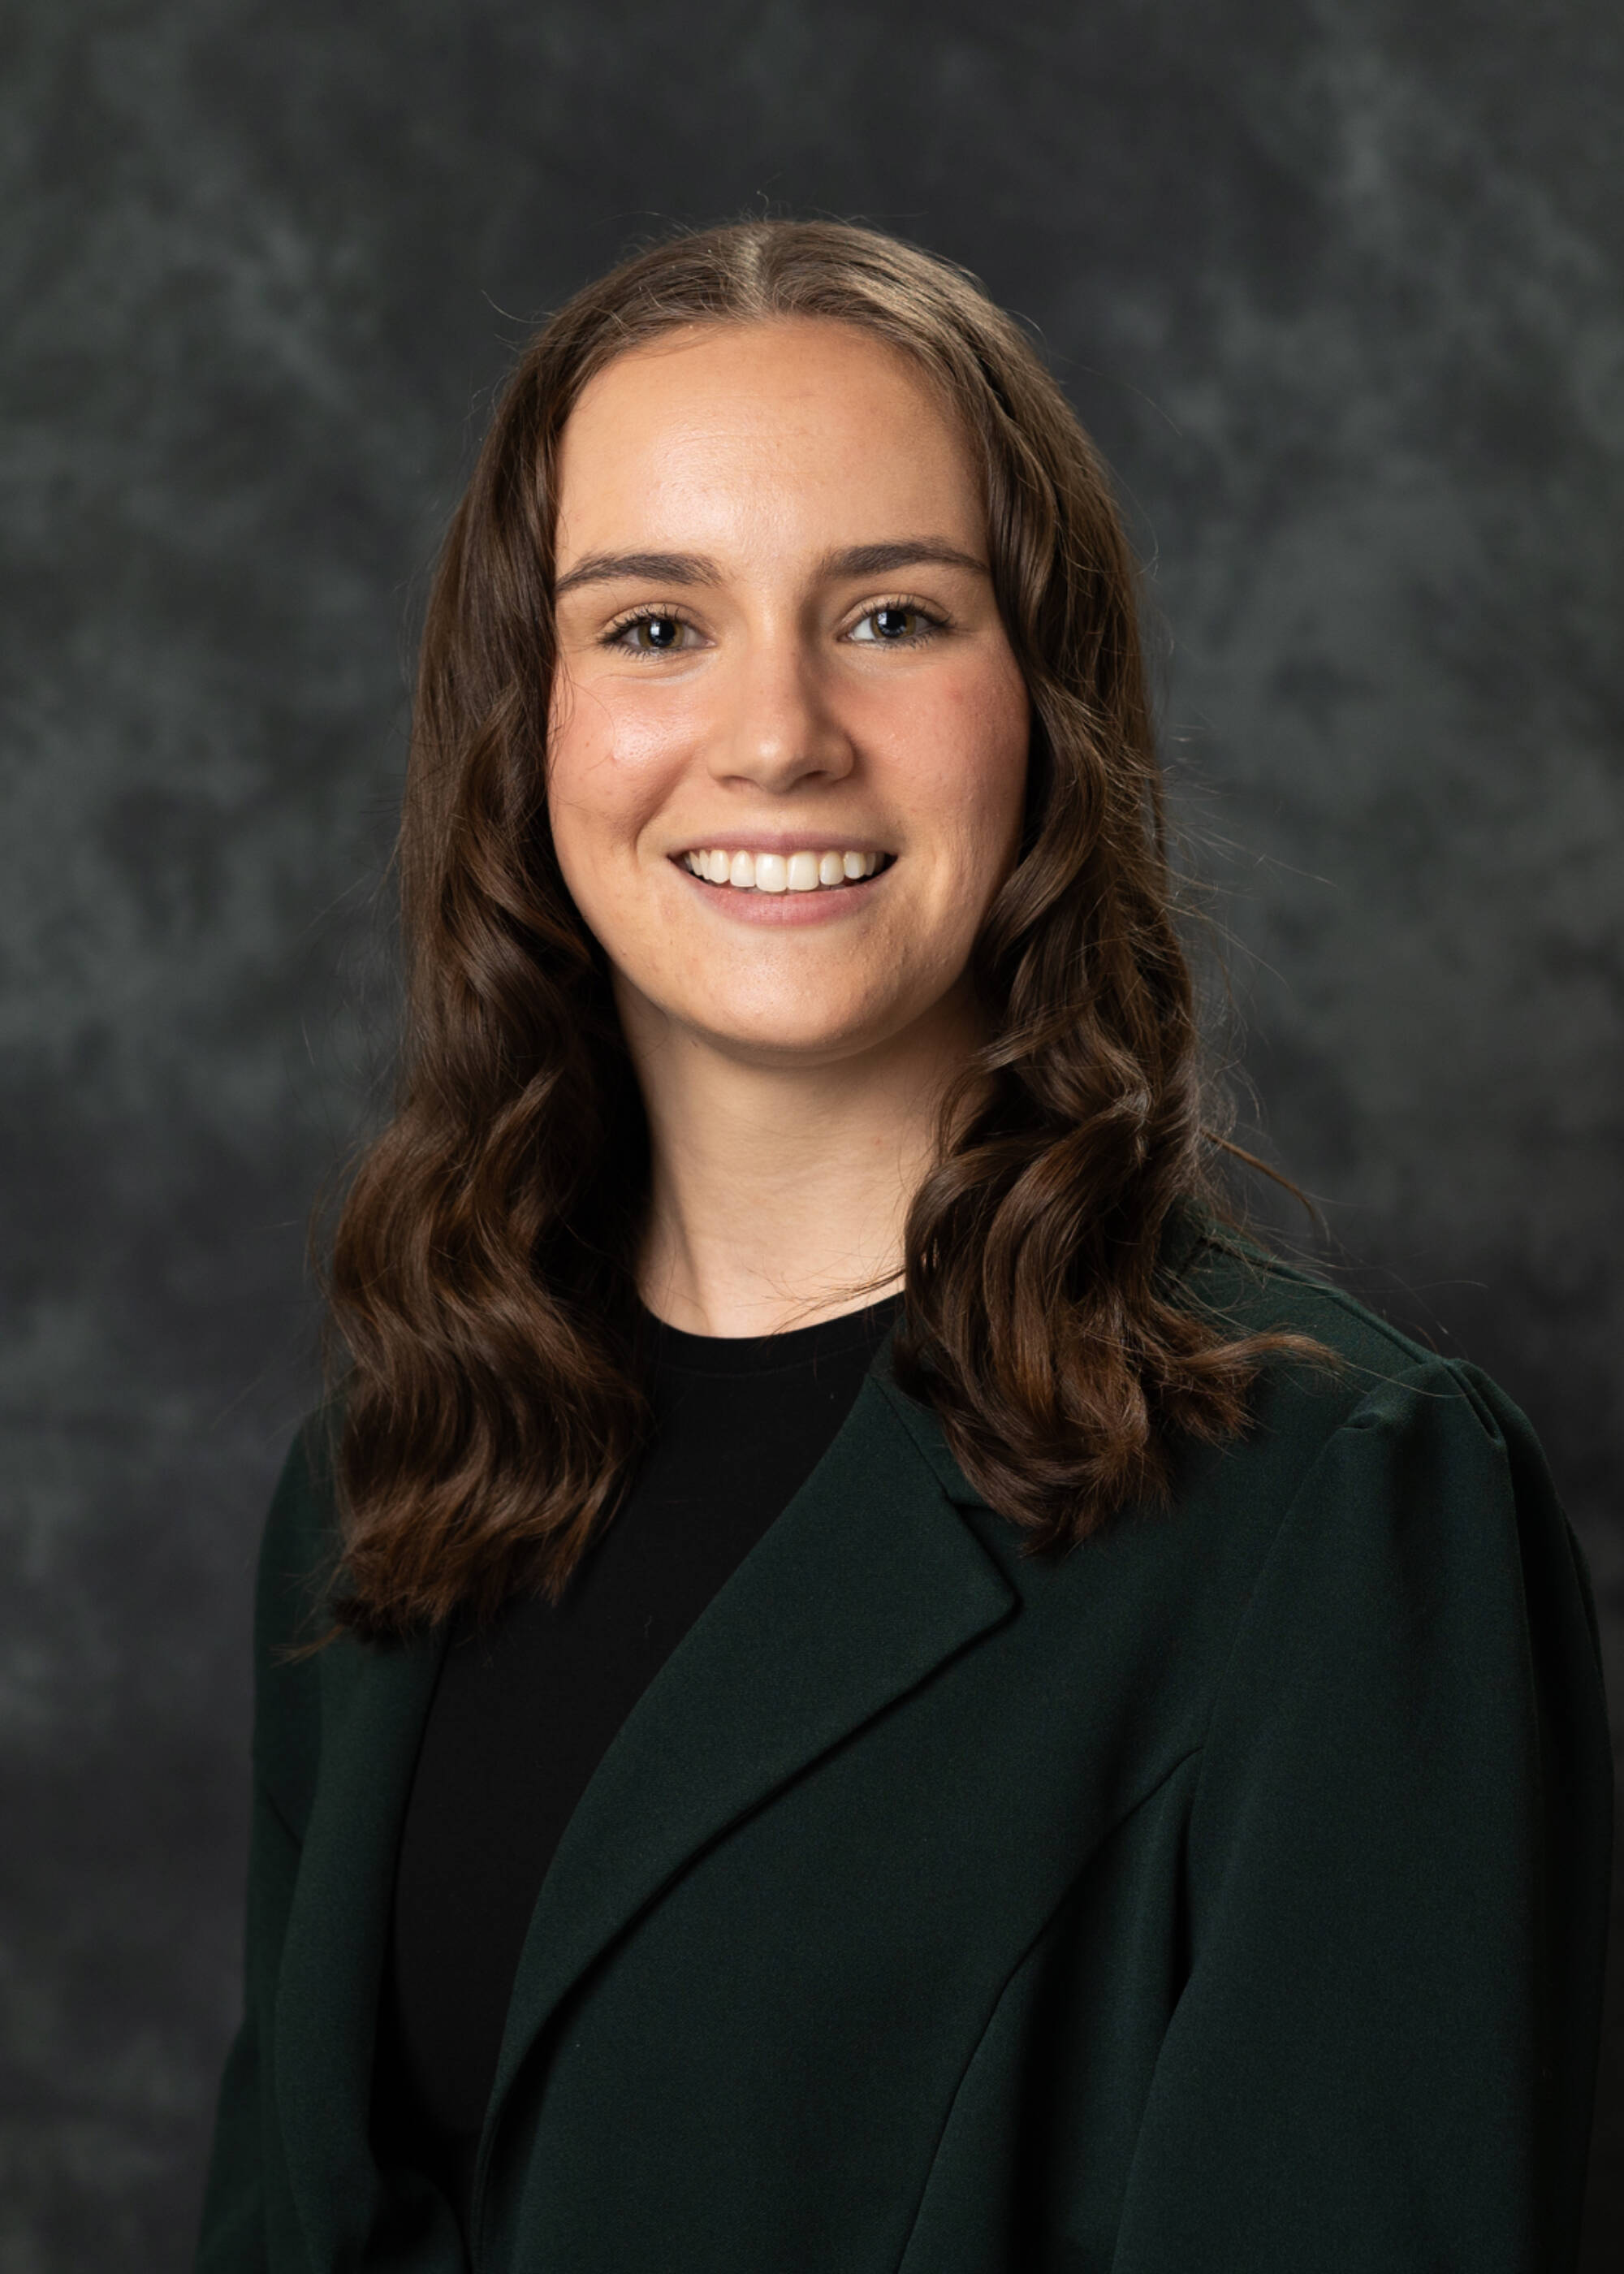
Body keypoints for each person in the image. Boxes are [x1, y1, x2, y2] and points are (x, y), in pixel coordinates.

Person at [193, 219, 1612, 2274]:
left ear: (1044, 707)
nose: (775, 733)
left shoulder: (1349, 1512)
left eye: (889, 612)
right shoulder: (372, 1493)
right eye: (654, 626)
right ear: (528, 724)